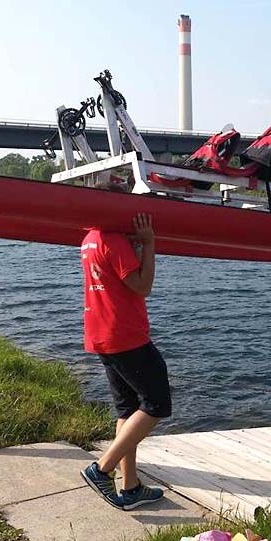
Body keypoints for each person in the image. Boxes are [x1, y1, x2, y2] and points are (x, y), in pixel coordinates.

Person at [79, 213, 171, 510]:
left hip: (101, 333)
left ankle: (130, 487)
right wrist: (149, 241)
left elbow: (117, 277)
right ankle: (102, 469)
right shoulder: (113, 241)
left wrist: (137, 248)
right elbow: (142, 286)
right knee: (157, 403)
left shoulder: (90, 238)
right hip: (125, 336)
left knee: (128, 409)